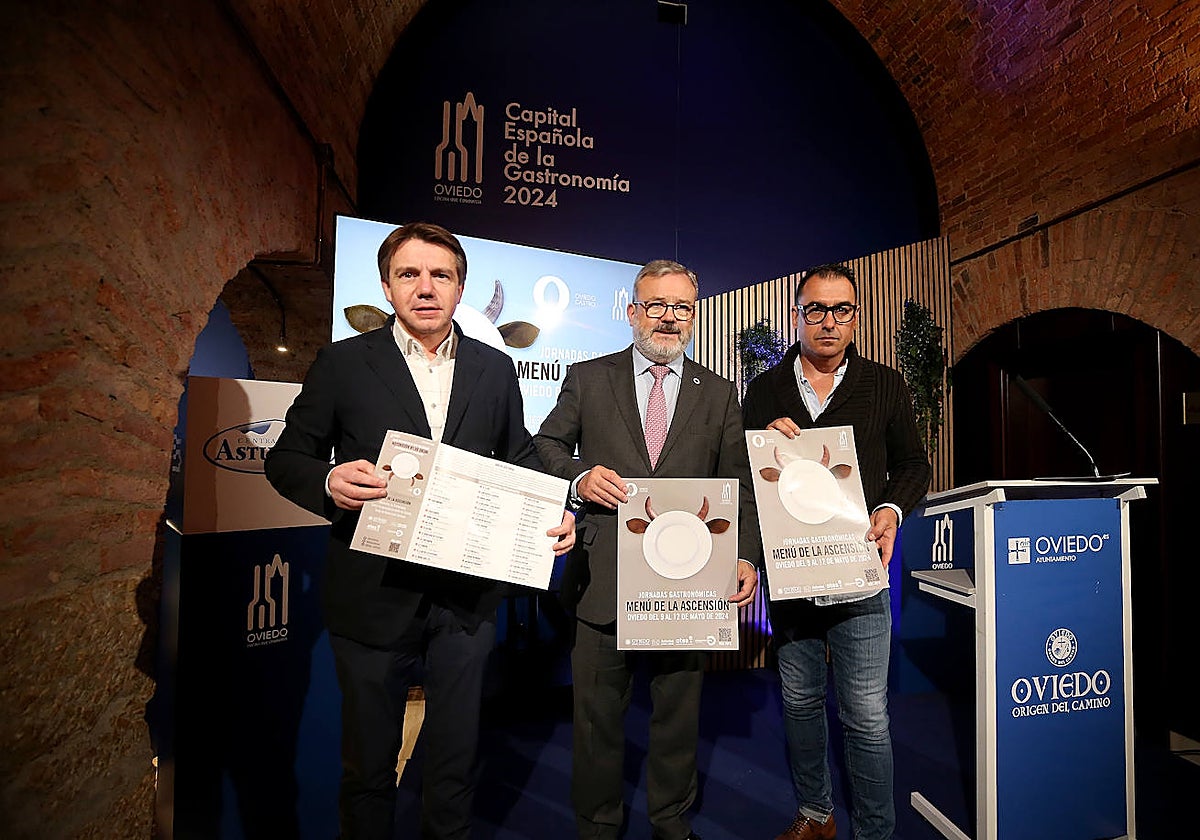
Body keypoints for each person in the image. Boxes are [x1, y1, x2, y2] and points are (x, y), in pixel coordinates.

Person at [264, 221, 575, 840]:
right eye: (409, 274)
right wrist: (328, 482)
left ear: (461, 290)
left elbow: (518, 457)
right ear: (386, 286)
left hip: (465, 600)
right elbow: (286, 459)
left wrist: (552, 510)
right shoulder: (344, 363)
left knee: (454, 764)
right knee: (369, 769)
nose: (425, 288)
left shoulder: (494, 368)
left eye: (441, 275)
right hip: (371, 595)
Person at [533, 259, 761, 840]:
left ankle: (670, 823)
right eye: (655, 304)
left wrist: (746, 556)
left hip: (689, 586)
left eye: (680, 306)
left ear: (693, 315)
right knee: (596, 722)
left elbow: (739, 486)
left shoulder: (719, 393)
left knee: (679, 719)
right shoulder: (588, 378)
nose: (667, 317)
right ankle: (597, 826)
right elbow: (547, 445)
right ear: (633, 312)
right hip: (603, 578)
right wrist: (579, 477)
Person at [741, 263, 931, 840]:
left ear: (856, 317)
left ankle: (875, 831)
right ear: (798, 316)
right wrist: (763, 446)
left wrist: (892, 508)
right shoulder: (765, 390)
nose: (828, 321)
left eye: (841, 310)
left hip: (860, 577)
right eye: (816, 310)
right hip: (793, 579)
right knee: (799, 702)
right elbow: (747, 482)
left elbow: (914, 464)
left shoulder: (884, 385)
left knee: (867, 715)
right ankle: (817, 814)